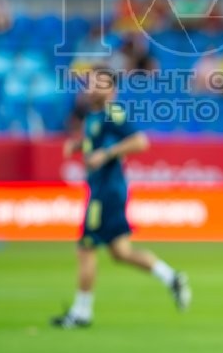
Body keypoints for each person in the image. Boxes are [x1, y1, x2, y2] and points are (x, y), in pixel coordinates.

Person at [51, 68, 191, 328]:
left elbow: (140, 141)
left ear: (111, 89)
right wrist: (80, 146)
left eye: (98, 83)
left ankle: (82, 312)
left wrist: (106, 154)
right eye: (90, 82)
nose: (91, 87)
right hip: (108, 191)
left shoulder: (113, 113)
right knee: (121, 252)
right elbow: (99, 142)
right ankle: (170, 277)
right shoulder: (95, 116)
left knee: (86, 248)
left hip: (106, 193)